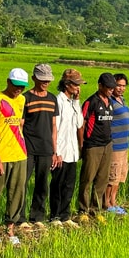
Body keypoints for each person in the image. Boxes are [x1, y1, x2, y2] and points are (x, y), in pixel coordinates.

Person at [0, 68, 29, 245]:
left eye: (22, 87)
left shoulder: (22, 99)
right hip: (1, 155)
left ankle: (10, 229)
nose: (19, 89)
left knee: (17, 193)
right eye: (16, 85)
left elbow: (20, 125)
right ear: (8, 82)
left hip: (20, 154)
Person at [18, 64, 59, 230]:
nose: (46, 82)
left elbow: (54, 126)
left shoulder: (52, 99)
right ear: (34, 78)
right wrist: (20, 147)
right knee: (22, 183)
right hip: (27, 148)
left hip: (46, 149)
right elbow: (20, 126)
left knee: (42, 184)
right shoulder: (26, 98)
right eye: (42, 79)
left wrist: (55, 151)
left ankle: (37, 217)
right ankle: (20, 219)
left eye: (48, 79)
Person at [49, 69, 86, 228]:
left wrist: (77, 101)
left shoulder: (72, 102)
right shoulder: (58, 101)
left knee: (69, 184)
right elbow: (54, 127)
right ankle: (54, 216)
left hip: (72, 151)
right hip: (61, 151)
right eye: (76, 84)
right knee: (57, 184)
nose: (78, 87)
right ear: (67, 84)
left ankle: (65, 215)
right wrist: (55, 152)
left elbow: (79, 123)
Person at [77, 73, 116, 220]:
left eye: (112, 88)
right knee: (87, 178)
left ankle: (96, 209)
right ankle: (83, 210)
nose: (111, 90)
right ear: (100, 85)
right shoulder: (91, 102)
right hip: (93, 146)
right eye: (108, 88)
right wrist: (81, 144)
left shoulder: (110, 102)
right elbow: (82, 123)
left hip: (107, 145)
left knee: (102, 179)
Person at [105, 73, 129, 215]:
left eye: (123, 85)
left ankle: (114, 201)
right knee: (112, 176)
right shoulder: (109, 101)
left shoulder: (122, 100)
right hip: (115, 145)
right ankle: (107, 203)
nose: (121, 88)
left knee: (120, 176)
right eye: (118, 85)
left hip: (124, 144)